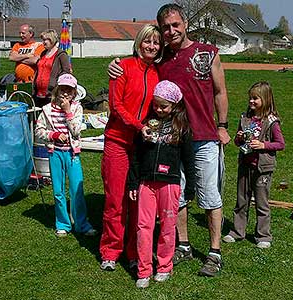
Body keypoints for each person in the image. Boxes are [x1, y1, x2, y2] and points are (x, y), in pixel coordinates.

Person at [108, 3, 231, 277]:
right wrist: (115, 64)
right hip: (173, 140)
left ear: (184, 23)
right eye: (165, 27)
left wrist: (222, 125)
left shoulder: (207, 53)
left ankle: (214, 252)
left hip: (205, 137)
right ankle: (183, 244)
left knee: (210, 195)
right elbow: (139, 62)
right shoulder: (163, 61)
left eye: (175, 25)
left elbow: (221, 92)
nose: (171, 31)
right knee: (178, 195)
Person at [99, 24, 164, 272]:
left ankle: (134, 250)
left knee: (138, 201)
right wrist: (139, 126)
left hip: (142, 143)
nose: (151, 46)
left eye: (156, 42)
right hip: (118, 141)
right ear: (139, 43)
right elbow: (116, 106)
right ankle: (110, 251)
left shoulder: (158, 72)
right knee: (115, 200)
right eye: (147, 41)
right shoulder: (122, 67)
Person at [129, 80, 195, 288]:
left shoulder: (182, 128)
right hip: (146, 182)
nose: (158, 109)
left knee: (167, 226)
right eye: (156, 104)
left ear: (174, 105)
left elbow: (189, 160)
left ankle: (165, 266)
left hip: (170, 184)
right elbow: (136, 156)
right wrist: (132, 183)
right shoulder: (147, 125)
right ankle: (144, 270)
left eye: (163, 106)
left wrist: (191, 186)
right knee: (143, 226)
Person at [222, 81, 285, 248]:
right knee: (241, 201)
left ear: (265, 99)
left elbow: (280, 144)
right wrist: (240, 137)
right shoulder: (245, 118)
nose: (251, 101)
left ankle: (263, 236)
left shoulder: (272, 121)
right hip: (245, 165)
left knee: (261, 202)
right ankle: (237, 232)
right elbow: (236, 141)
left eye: (255, 98)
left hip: (262, 168)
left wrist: (264, 145)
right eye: (250, 98)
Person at [35, 73, 97, 237]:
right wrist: (53, 135)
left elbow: (76, 131)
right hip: (55, 153)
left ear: (74, 93)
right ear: (57, 90)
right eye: (62, 89)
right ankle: (62, 223)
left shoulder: (76, 108)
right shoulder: (47, 110)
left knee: (77, 188)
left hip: (72, 154)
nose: (65, 94)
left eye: (69, 91)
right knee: (58, 190)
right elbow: (39, 130)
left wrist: (68, 111)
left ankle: (82, 224)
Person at [33, 29, 71, 107]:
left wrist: (55, 83)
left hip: (51, 94)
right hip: (39, 93)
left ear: (51, 40)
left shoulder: (61, 55)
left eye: (45, 40)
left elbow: (66, 72)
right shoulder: (43, 53)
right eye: (42, 40)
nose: (43, 42)